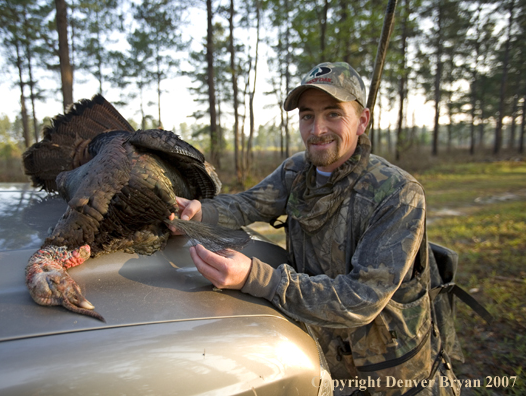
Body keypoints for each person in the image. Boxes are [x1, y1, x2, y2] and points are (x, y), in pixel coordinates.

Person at [171, 62, 460, 396]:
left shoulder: (397, 193)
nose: (317, 129)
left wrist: (256, 277)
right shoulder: (297, 172)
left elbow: (361, 299)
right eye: (307, 116)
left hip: (391, 376)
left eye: (333, 114)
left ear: (362, 121)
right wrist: (201, 211)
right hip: (325, 362)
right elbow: (247, 204)